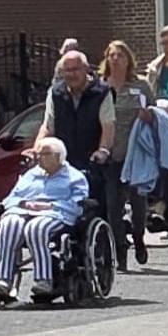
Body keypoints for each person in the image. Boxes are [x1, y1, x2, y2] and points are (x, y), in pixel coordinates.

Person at [0, 139, 91, 303]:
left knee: (36, 228)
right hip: (23, 210)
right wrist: (25, 203)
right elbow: (12, 197)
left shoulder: (74, 177)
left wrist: (49, 205)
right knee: (9, 224)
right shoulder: (31, 175)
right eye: (39, 154)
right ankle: (4, 279)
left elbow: (77, 202)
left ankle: (44, 280)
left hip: (55, 213)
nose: (40, 157)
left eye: (45, 154)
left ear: (59, 156)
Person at [39, 47, 116, 267]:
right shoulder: (56, 92)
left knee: (92, 209)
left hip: (90, 160)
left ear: (85, 69)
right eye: (66, 71)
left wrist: (103, 151)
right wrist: (38, 148)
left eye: (75, 70)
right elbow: (48, 125)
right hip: (63, 161)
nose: (71, 75)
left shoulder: (101, 92)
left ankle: (100, 256)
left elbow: (108, 126)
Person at [94, 42, 152, 267]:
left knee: (138, 205)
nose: (116, 59)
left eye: (120, 55)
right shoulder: (101, 87)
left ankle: (138, 236)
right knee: (113, 206)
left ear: (129, 59)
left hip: (135, 154)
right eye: (111, 55)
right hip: (111, 155)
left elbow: (155, 112)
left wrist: (150, 116)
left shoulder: (140, 85)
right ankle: (120, 250)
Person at [124, 76, 168, 262]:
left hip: (167, 169)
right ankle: (133, 214)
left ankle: (159, 210)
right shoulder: (143, 131)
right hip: (148, 166)